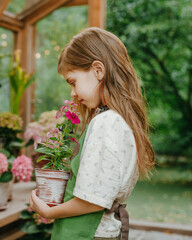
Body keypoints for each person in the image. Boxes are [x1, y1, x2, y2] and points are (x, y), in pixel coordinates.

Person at [29, 27, 155, 240]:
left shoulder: (105, 122)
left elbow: (93, 200)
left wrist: (48, 211)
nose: (73, 93)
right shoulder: (120, 120)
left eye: (73, 81)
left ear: (98, 70)